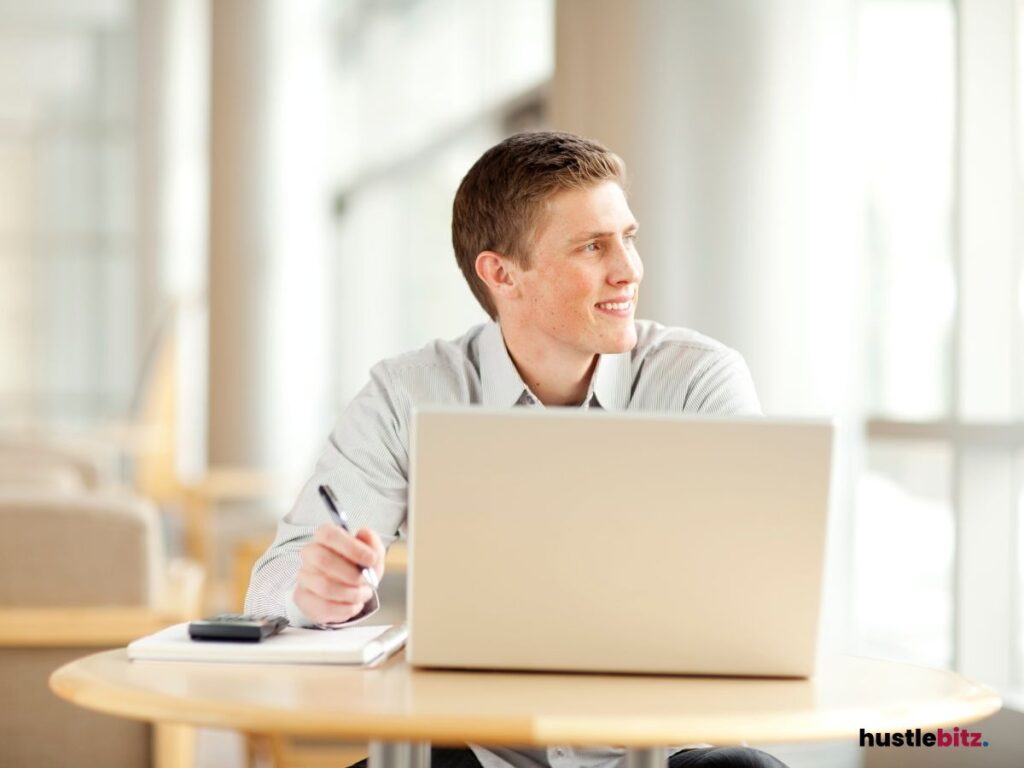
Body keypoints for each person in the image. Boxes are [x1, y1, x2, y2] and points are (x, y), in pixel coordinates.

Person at [246, 131, 785, 768]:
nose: (629, 269)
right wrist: (320, 590)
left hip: (668, 751)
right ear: (502, 273)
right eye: (593, 246)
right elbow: (272, 585)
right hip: (481, 753)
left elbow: (752, 593)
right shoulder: (410, 393)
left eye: (628, 238)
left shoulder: (699, 381)